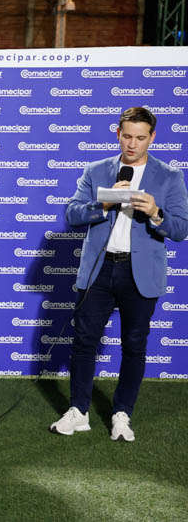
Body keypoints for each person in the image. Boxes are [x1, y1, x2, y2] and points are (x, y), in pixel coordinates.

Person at [50, 107, 188, 441]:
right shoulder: (97, 170)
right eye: (127, 136)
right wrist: (104, 205)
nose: (132, 144)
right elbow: (72, 214)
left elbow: (181, 229)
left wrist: (155, 212)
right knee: (84, 342)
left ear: (152, 138)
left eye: (140, 138)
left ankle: (122, 414)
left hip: (139, 272)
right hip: (100, 269)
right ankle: (79, 410)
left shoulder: (169, 176)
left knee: (134, 346)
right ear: (118, 133)